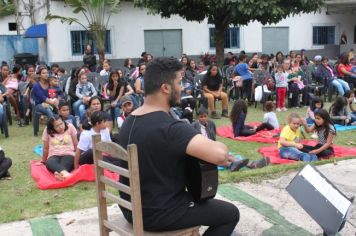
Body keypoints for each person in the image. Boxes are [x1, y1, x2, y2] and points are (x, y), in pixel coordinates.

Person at [117, 57, 239, 234]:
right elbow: (220, 154)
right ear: (165, 88)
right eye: (179, 82)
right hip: (158, 213)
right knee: (230, 214)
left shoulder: (130, 120)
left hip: (131, 208)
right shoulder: (171, 128)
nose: (181, 88)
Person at [192, 106, 251, 172]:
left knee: (225, 155)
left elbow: (213, 137)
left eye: (205, 116)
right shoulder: (193, 126)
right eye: (201, 117)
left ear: (207, 116)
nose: (203, 118)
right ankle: (232, 165)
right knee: (215, 159)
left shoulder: (211, 123)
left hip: (211, 146)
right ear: (198, 117)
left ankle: (248, 164)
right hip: (201, 150)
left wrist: (214, 147)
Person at [41, 115, 78, 181]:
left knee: (66, 163)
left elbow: (76, 144)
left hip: (68, 154)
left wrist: (77, 157)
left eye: (61, 123)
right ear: (52, 128)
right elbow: (45, 148)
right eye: (57, 126)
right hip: (54, 155)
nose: (61, 127)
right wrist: (43, 160)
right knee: (49, 162)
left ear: (64, 121)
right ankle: (66, 174)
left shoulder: (70, 127)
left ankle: (60, 174)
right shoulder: (47, 130)